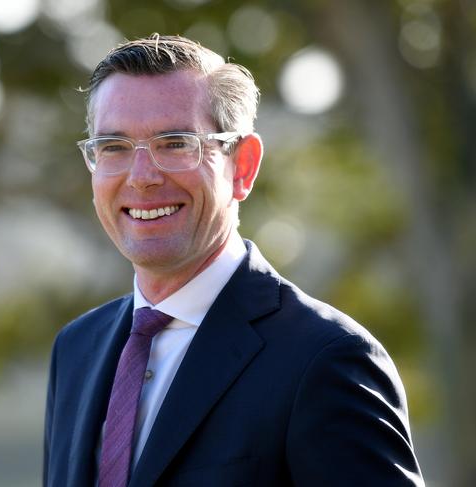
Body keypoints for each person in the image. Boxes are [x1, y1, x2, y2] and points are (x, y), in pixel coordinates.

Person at [43, 34, 424, 487]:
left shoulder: (325, 360)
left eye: (175, 143)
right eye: (114, 146)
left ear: (242, 166)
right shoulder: (77, 348)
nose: (141, 177)